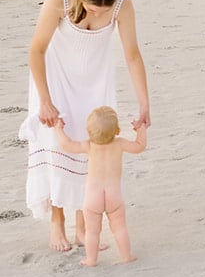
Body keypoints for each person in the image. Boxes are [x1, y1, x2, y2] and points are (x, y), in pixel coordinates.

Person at [19, 0, 150, 251]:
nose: (99, 14)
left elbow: (132, 54)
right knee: (57, 143)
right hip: (55, 78)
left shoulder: (122, 1)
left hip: (95, 78)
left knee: (92, 147)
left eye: (105, 10)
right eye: (92, 8)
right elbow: (37, 49)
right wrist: (45, 100)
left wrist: (144, 103)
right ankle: (57, 222)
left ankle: (82, 227)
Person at [53, 106, 146, 266]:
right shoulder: (120, 144)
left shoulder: (88, 145)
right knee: (119, 228)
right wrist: (141, 130)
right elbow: (139, 146)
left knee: (92, 231)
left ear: (89, 132)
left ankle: (91, 259)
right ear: (117, 130)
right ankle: (126, 256)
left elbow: (66, 145)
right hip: (113, 197)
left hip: (93, 198)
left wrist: (58, 129)